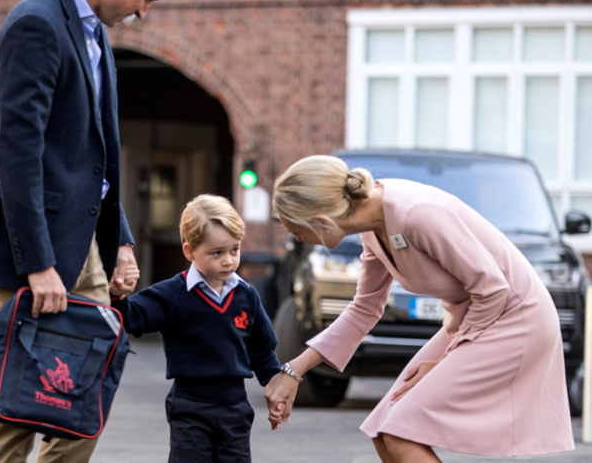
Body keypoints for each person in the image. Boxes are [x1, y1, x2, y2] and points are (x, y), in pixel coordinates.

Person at [0, 0, 177, 461]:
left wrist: (121, 242)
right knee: (15, 417)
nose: (144, 12)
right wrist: (36, 265)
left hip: (87, 253)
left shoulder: (95, 35)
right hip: (31, 259)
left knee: (83, 412)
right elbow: (18, 157)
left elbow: (91, 158)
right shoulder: (35, 23)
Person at [264, 155, 575, 462]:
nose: (298, 239)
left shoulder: (416, 213)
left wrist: (443, 361)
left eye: (296, 231)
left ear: (323, 222)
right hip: (475, 319)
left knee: (401, 434)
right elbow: (365, 309)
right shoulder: (372, 224)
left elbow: (493, 290)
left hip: (515, 319)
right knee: (384, 431)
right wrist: (294, 371)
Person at [112, 194, 281, 463]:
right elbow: (131, 317)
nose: (228, 260)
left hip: (235, 408)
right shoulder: (172, 293)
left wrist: (276, 391)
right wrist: (116, 295)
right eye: (217, 253)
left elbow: (262, 352)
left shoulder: (248, 296)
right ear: (190, 251)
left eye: (234, 250)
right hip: (189, 406)